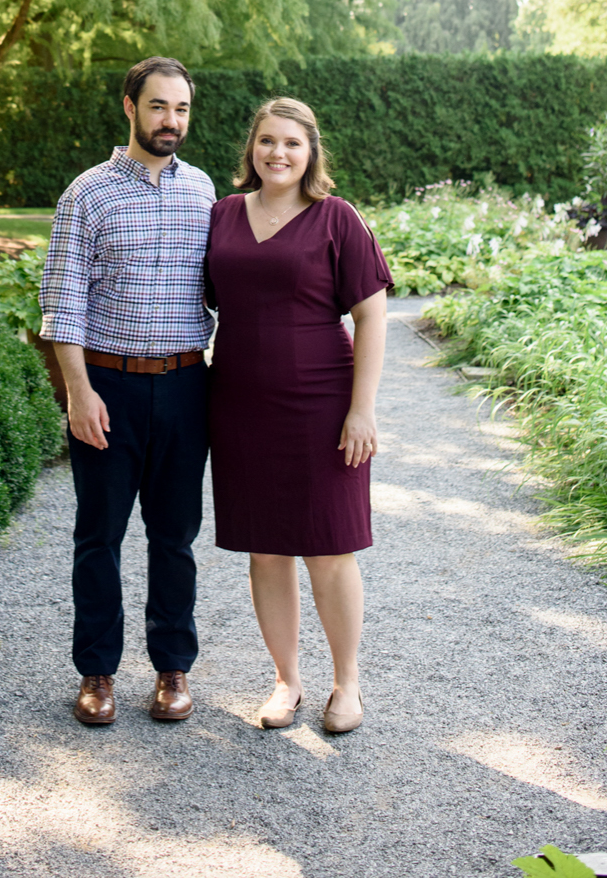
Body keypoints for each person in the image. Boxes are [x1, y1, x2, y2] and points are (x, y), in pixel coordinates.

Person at [40, 56, 216, 727]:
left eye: (181, 109)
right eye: (159, 106)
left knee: (175, 537)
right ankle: (97, 672)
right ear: (129, 107)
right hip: (106, 386)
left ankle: (173, 669)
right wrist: (79, 394)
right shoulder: (86, 194)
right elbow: (61, 306)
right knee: (99, 536)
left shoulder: (204, 192)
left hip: (184, 385)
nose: (171, 120)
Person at [206, 96, 391, 735]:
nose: (277, 153)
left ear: (311, 151)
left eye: (291, 143)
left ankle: (347, 684)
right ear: (250, 150)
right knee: (265, 551)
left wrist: (361, 411)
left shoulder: (336, 218)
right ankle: (287, 680)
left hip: (322, 404)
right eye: (266, 142)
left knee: (331, 548)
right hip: (238, 405)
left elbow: (371, 316)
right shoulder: (223, 216)